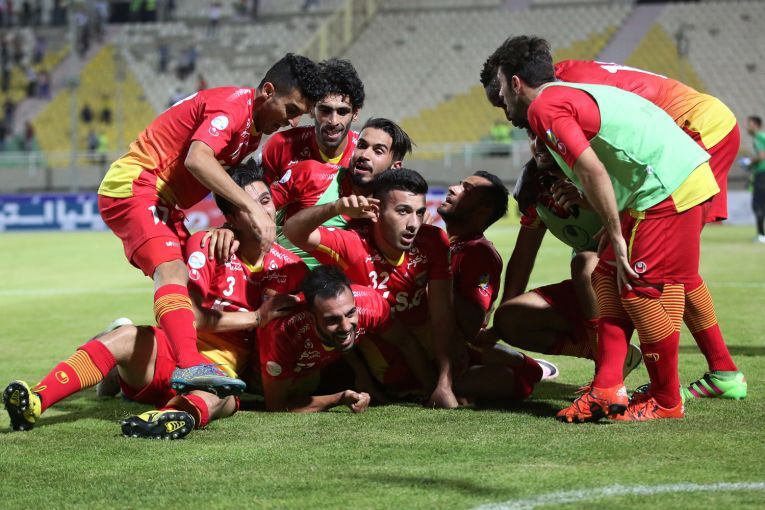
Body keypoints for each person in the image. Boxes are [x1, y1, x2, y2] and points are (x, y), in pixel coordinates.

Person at [482, 56, 745, 401]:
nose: (509, 117)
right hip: (692, 128)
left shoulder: (558, 99)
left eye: (502, 100)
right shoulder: (559, 114)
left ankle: (662, 390)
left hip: (694, 130)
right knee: (637, 270)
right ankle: (635, 375)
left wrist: (611, 223)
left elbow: (613, 143)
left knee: (657, 271)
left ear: (515, 84)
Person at [3, 162, 307, 438]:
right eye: (248, 206)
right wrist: (256, 317)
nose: (261, 212)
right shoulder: (207, 244)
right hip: (171, 356)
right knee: (125, 336)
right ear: (231, 217)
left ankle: (164, 418)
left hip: (220, 372)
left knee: (221, 397)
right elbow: (190, 314)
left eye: (265, 201)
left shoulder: (291, 268)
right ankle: (37, 399)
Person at [96, 53, 325, 397]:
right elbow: (198, 160)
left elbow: (223, 184)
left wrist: (229, 227)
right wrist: (251, 206)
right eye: (291, 110)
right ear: (268, 91)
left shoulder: (252, 131)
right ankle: (190, 364)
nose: (293, 121)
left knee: (186, 292)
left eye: (299, 115)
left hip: (164, 199)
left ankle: (116, 354)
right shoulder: (233, 108)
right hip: (140, 182)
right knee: (172, 273)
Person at [436, 170, 560, 380]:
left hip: (456, 349)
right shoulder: (444, 244)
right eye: (459, 184)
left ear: (483, 210)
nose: (452, 189)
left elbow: (471, 324)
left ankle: (528, 367)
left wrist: (434, 278)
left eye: (466, 189)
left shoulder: (477, 252)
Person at [269, 117, 411, 267]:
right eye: (361, 145)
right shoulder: (311, 173)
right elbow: (259, 208)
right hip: (278, 275)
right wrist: (335, 207)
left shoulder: (390, 215)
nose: (364, 155)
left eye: (378, 151)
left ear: (395, 167)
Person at [257, 265, 390, 412]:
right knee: (305, 385)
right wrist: (339, 398)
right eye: (332, 320)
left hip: (315, 366)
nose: (346, 326)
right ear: (311, 318)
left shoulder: (370, 303)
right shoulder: (283, 333)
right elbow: (276, 406)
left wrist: (361, 373)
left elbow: (404, 342)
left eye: (350, 313)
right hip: (271, 377)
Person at [258, 58, 365, 184]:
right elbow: (252, 191)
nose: (333, 121)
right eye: (325, 110)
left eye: (342, 112)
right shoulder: (280, 146)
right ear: (311, 110)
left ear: (355, 113)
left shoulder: (366, 154)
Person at [746, 116, 765, 243]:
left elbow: (761, 156)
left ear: (756, 125)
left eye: (750, 124)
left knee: (758, 205)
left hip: (762, 175)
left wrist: (749, 162)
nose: (748, 127)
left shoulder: (758, 137)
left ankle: (761, 235)